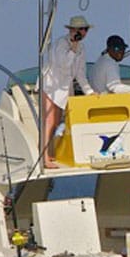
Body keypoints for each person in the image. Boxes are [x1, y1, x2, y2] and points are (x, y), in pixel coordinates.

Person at [41, 15, 95, 168]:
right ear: (72, 30)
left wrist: (89, 92)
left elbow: (80, 73)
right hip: (51, 85)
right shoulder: (61, 44)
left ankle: (49, 153)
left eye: (85, 30)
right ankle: (43, 157)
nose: (83, 33)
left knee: (57, 122)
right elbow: (64, 64)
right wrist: (72, 48)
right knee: (50, 122)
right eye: (80, 30)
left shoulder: (81, 48)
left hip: (64, 88)